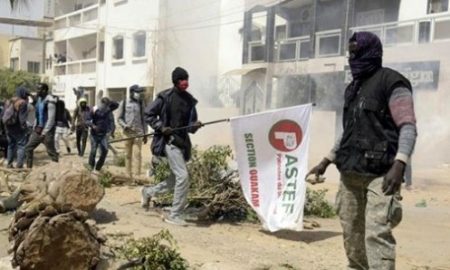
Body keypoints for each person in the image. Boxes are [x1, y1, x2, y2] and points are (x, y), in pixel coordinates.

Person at [308, 32, 417, 270]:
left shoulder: (392, 83)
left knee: (376, 234)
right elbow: (350, 131)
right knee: (352, 234)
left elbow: (408, 127)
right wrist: (326, 160)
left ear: (371, 52)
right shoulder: (353, 88)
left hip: (382, 175)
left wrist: (400, 164)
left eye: (356, 52)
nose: (351, 57)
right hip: (350, 173)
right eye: (350, 52)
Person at [141, 67, 202, 226]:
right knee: (183, 176)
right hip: (169, 142)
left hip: (182, 144)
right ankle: (174, 214)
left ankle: (148, 192)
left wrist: (195, 126)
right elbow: (148, 114)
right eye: (182, 79)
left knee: (175, 180)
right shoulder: (164, 97)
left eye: (186, 79)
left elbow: (189, 127)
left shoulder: (190, 101)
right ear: (175, 81)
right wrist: (161, 127)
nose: (185, 82)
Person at [25, 83, 59, 168]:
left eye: (39, 89)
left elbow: (51, 119)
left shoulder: (50, 102)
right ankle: (29, 170)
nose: (37, 91)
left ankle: (56, 170)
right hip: (38, 129)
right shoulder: (39, 99)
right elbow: (38, 114)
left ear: (44, 90)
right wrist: (35, 126)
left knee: (51, 151)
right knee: (28, 148)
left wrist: (45, 132)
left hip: (48, 130)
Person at [117, 84, 148, 177]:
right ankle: (128, 175)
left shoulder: (141, 103)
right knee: (127, 155)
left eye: (139, 92)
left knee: (137, 154)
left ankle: (137, 176)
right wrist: (124, 125)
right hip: (127, 133)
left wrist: (145, 133)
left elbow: (144, 119)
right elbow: (119, 118)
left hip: (138, 133)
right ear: (132, 92)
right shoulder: (124, 102)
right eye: (137, 92)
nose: (139, 94)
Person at [87, 97, 119, 172]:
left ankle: (98, 168)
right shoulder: (94, 109)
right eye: (104, 105)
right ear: (101, 103)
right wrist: (93, 126)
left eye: (107, 105)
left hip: (103, 135)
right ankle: (90, 167)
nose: (105, 107)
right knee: (93, 151)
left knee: (105, 151)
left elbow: (117, 105)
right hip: (94, 134)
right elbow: (87, 120)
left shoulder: (108, 109)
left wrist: (109, 101)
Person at [3, 86, 29, 168]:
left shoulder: (9, 101)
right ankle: (19, 165)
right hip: (17, 128)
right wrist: (25, 128)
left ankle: (9, 164)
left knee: (11, 145)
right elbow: (22, 118)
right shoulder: (22, 103)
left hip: (8, 127)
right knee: (21, 145)